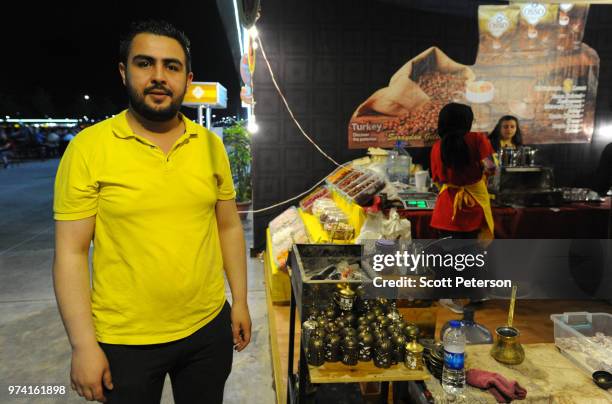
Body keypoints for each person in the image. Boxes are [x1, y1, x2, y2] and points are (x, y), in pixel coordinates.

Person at [53, 20, 251, 404]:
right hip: (124, 340)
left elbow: (228, 227)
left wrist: (239, 300)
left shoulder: (210, 145)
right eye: (146, 64)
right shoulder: (88, 149)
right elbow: (71, 253)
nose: (159, 76)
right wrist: (82, 345)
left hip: (208, 330)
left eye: (171, 66)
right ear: (125, 71)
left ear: (187, 78)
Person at [430, 103, 497, 240]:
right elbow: (490, 167)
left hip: (446, 212)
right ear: (467, 122)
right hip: (474, 207)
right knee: (471, 255)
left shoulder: (437, 146)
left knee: (448, 257)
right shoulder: (478, 139)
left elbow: (437, 180)